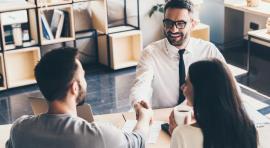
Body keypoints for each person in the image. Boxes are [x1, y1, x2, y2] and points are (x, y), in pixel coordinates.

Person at [6, 47, 153, 148]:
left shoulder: (19, 129)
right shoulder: (100, 136)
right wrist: (144, 117)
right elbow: (138, 141)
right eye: (83, 76)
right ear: (74, 88)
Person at [129, 0, 226, 109]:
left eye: (180, 24)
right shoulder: (150, 53)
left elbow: (228, 86)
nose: (173, 29)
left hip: (199, 116)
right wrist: (139, 103)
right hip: (162, 119)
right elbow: (141, 85)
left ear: (192, 24)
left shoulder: (208, 51)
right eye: (168, 23)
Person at [169, 58, 258, 148]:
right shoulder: (248, 128)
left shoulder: (182, 135)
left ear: (201, 92)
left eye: (187, 83)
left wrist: (177, 135)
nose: (182, 87)